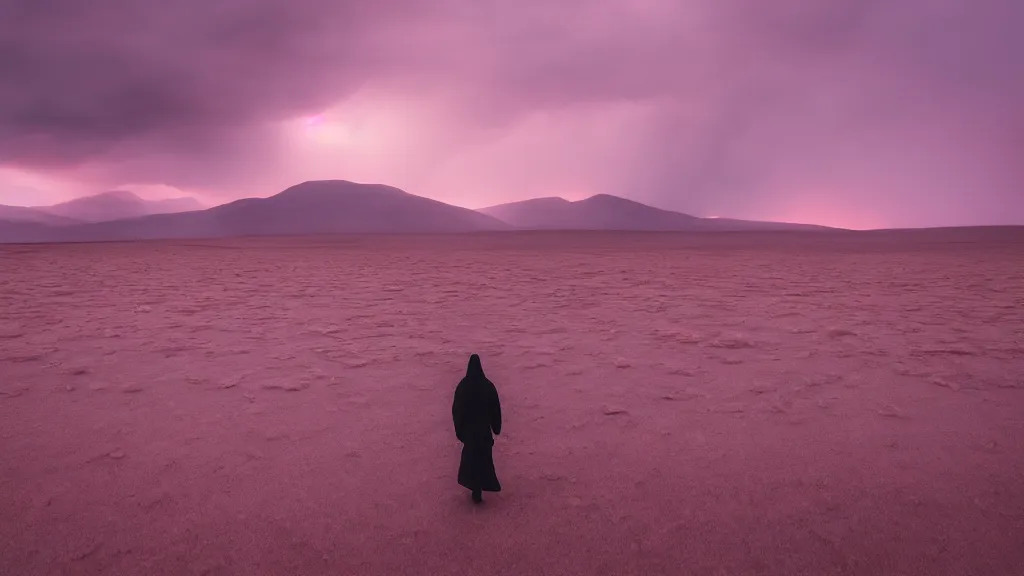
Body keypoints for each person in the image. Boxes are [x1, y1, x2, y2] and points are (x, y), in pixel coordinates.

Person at [452, 354, 502, 504]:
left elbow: (456, 410)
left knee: (471, 461)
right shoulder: (488, 385)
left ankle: (475, 490)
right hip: (483, 432)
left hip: (469, 433)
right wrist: (496, 427)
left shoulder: (463, 386)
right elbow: (495, 409)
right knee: (483, 460)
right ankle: (478, 490)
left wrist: (459, 431)